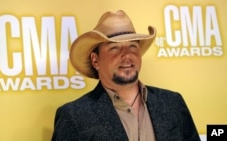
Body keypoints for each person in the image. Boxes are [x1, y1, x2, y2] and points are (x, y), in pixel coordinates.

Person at [51, 10, 200, 141]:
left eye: (132, 46)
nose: (126, 55)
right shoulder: (73, 116)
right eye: (114, 48)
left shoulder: (173, 103)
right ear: (95, 60)